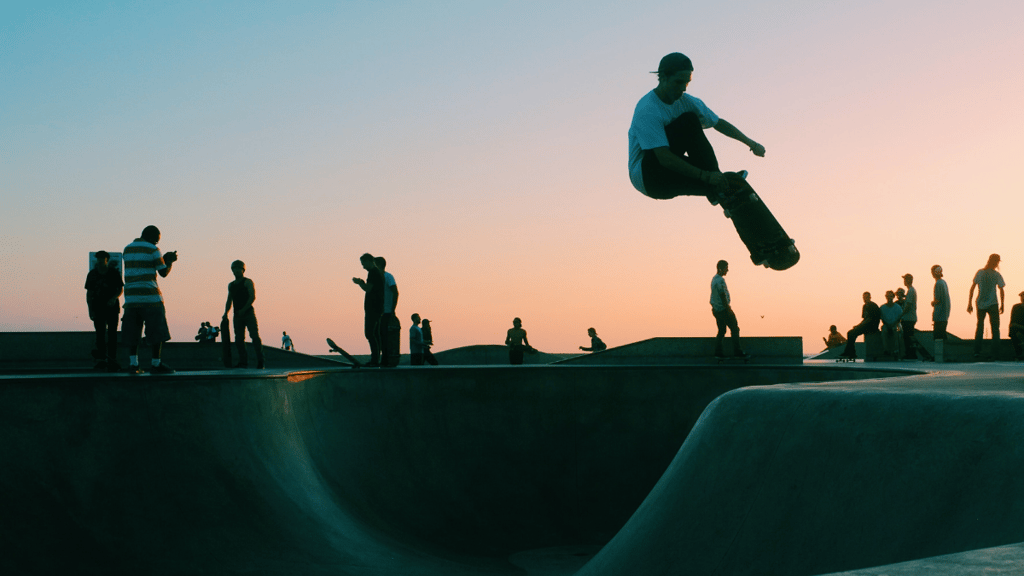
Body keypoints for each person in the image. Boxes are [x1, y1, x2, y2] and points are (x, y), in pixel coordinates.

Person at [628, 52, 765, 206]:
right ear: (663, 78)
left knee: (691, 118)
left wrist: (751, 144)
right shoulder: (647, 110)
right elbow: (664, 158)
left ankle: (718, 190)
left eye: (686, 83)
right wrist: (706, 176)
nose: (683, 89)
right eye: (678, 82)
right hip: (649, 177)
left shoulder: (687, 101)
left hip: (668, 171)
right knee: (689, 121)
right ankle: (716, 186)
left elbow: (718, 123)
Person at [122, 225, 177, 374]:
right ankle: (156, 364)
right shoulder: (153, 249)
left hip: (131, 298)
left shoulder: (127, 249)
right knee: (156, 331)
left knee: (133, 332)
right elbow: (163, 272)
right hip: (150, 297)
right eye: (157, 241)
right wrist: (169, 260)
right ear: (153, 237)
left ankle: (133, 364)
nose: (157, 243)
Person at [85, 250, 124, 371]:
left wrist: (114, 298)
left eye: (102, 258)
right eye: (99, 258)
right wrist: (90, 309)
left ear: (107, 260)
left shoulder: (114, 273)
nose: (100, 260)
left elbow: (120, 289)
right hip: (98, 308)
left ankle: (112, 359)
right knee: (100, 335)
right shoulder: (92, 274)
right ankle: (102, 360)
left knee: (112, 334)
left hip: (112, 308)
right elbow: (89, 293)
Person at [222, 260, 264, 369]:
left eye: (238, 269)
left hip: (248, 313)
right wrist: (225, 313)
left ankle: (260, 361)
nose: (236, 271)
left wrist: (244, 309)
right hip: (237, 316)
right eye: (234, 269)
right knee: (239, 339)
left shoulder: (248, 282)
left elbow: (252, 297)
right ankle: (243, 362)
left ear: (242, 270)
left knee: (254, 337)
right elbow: (229, 300)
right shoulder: (231, 285)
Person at [967, 253, 1006, 359]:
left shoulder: (980, 273)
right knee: (995, 329)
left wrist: (969, 303)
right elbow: (1001, 289)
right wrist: (1002, 304)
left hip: (980, 303)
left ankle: (977, 351)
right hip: (993, 304)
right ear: (996, 262)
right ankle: (996, 353)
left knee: (980, 327)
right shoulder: (996, 275)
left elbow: (972, 288)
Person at [352, 253, 384, 367]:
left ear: (369, 261)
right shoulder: (376, 273)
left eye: (364, 263)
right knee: (375, 334)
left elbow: (368, 289)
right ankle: (376, 359)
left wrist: (359, 283)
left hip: (373, 308)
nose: (363, 266)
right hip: (377, 308)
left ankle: (375, 360)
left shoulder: (373, 273)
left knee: (369, 333)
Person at [710, 260, 746, 359]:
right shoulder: (720, 280)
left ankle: (718, 353)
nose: (727, 270)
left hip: (716, 310)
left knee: (721, 330)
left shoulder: (714, 279)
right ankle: (738, 352)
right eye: (726, 268)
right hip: (723, 309)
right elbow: (722, 295)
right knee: (735, 329)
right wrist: (728, 308)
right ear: (720, 269)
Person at [839, 292, 881, 360]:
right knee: (851, 333)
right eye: (864, 298)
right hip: (866, 325)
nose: (865, 299)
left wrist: (859, 326)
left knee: (852, 333)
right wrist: (858, 326)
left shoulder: (872, 305)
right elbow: (865, 319)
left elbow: (869, 319)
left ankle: (849, 353)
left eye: (866, 297)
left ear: (870, 297)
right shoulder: (865, 306)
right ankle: (851, 353)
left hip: (872, 326)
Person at [375, 256, 400, 367]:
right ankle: (377, 359)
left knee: (384, 336)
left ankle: (385, 360)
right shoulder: (376, 278)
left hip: (386, 312)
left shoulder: (388, 276)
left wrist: (392, 309)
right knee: (377, 336)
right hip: (378, 312)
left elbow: (395, 292)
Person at [931, 265, 951, 362]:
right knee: (942, 334)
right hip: (945, 314)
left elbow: (937, 300)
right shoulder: (944, 282)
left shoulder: (938, 283)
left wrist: (932, 303)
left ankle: (939, 356)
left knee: (938, 336)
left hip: (939, 314)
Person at [879, 290, 904, 360]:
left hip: (895, 324)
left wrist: (893, 324)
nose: (889, 298)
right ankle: (886, 350)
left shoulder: (897, 307)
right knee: (884, 330)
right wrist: (887, 324)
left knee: (896, 331)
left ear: (893, 297)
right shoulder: (882, 307)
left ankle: (896, 350)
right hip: (886, 324)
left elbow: (899, 318)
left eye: (890, 296)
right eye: (887, 296)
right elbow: (882, 318)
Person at [899, 273, 919, 359]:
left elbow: (908, 305)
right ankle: (911, 354)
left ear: (908, 280)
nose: (904, 281)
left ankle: (910, 354)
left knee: (908, 337)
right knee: (909, 336)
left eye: (905, 279)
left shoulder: (911, 291)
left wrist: (901, 314)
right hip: (910, 318)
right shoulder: (911, 291)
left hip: (908, 318)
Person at [1008, 291, 1024, 361]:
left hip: (1020, 328)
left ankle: (1020, 354)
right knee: (1013, 330)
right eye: (1022, 296)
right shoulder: (1016, 307)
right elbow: (1013, 322)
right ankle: (1019, 353)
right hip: (1018, 329)